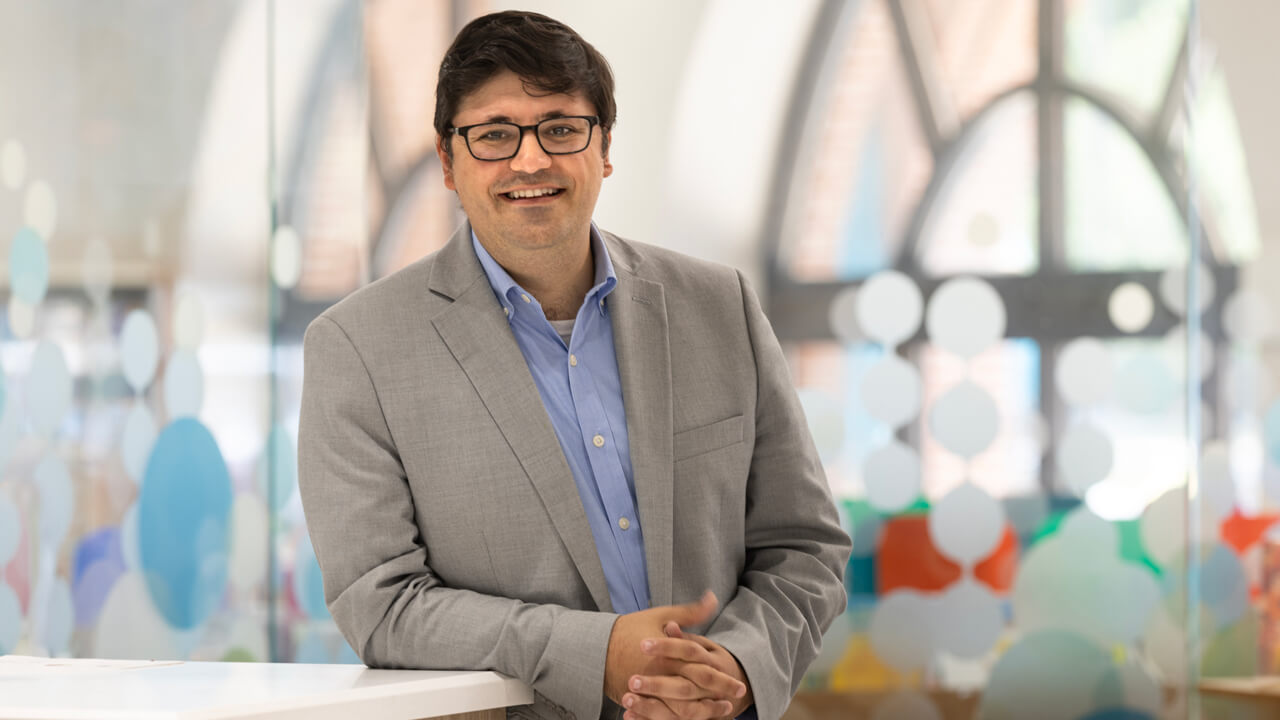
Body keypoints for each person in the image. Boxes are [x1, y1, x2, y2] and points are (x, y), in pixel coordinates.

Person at [297, 10, 850, 720]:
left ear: (605, 146)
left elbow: (803, 545)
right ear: (447, 161)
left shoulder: (720, 306)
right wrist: (600, 654)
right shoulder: (358, 347)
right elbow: (379, 602)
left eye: (561, 128)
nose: (531, 161)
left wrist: (734, 667)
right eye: (494, 135)